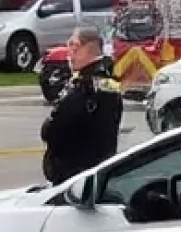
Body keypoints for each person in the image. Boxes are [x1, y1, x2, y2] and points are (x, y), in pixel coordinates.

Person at [40, 26, 122, 185]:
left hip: (75, 175)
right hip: (94, 170)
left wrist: (48, 127)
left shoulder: (86, 85)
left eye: (75, 46)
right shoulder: (108, 82)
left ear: (89, 49)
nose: (70, 52)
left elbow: (57, 126)